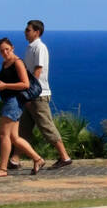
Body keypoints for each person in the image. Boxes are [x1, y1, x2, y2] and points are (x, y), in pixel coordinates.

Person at [16, 19, 74, 169]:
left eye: (28, 30)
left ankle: (64, 157)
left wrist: (28, 90)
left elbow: (38, 70)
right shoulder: (30, 48)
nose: (25, 32)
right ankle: (14, 160)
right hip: (31, 94)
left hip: (38, 95)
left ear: (37, 32)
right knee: (24, 128)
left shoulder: (40, 48)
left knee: (46, 126)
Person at [0, 38, 44, 176]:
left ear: (12, 48)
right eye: (2, 51)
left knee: (4, 135)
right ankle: (38, 159)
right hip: (9, 100)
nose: (5, 52)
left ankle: (3, 168)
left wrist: (5, 86)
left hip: (13, 102)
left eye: (7, 49)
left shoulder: (17, 62)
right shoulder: (5, 63)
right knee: (14, 137)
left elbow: (25, 84)